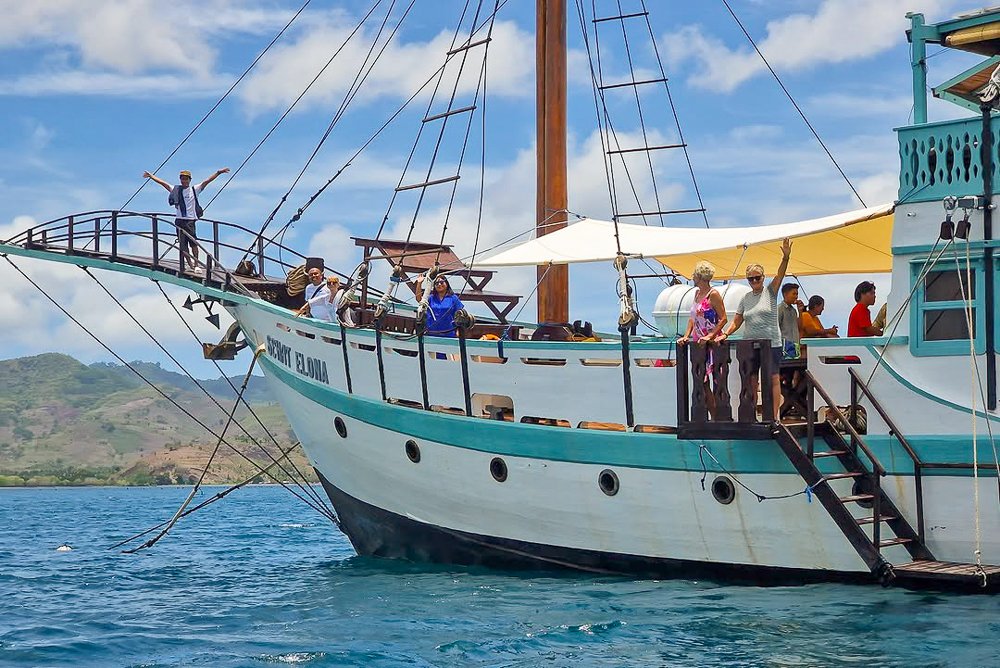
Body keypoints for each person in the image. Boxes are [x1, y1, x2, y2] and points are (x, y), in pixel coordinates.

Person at [717, 238, 792, 421]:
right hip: (751, 344)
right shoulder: (746, 298)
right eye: (751, 279)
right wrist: (725, 333)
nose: (754, 281)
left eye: (757, 278)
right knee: (751, 380)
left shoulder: (770, 292)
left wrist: (786, 258)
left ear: (763, 278)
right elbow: (737, 320)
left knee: (773, 379)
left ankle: (773, 416)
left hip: (771, 343)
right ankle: (751, 416)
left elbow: (780, 275)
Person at [143, 167, 230, 269]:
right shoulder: (176, 190)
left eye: (186, 179)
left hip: (190, 220)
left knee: (193, 243)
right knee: (183, 245)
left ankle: (196, 264)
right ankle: (190, 264)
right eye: (183, 179)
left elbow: (207, 181)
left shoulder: (194, 189)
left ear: (189, 180)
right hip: (179, 220)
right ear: (180, 179)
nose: (184, 181)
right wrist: (151, 176)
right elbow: (163, 183)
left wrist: (218, 173)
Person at [676, 261, 728, 419]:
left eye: (694, 275)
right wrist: (686, 335)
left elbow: (724, 318)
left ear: (700, 276)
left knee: (717, 381)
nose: (693, 277)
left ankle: (719, 418)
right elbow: (693, 318)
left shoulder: (713, 294)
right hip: (699, 341)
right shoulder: (697, 294)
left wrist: (711, 335)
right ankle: (713, 416)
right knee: (702, 381)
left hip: (712, 342)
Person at [778, 283, 804, 358]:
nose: (796, 297)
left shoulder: (793, 310)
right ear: (785, 294)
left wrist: (800, 312)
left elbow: (799, 327)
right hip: (785, 345)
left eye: (797, 294)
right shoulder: (780, 309)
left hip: (795, 344)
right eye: (793, 294)